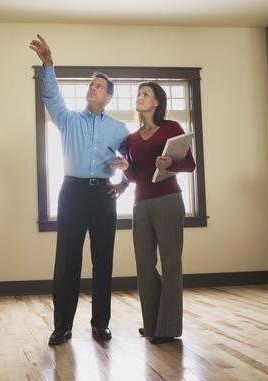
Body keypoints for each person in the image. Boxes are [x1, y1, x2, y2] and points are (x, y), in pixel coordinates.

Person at [29, 34, 129, 345]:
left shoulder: (120, 129)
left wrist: (123, 181)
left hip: (103, 196)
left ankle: (101, 324)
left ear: (108, 96)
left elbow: (132, 162)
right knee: (67, 261)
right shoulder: (69, 120)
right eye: (90, 84)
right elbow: (52, 98)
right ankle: (62, 326)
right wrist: (48, 64)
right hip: (72, 194)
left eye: (98, 86)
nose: (92, 88)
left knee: (103, 262)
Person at [113, 81, 195, 344]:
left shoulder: (171, 128)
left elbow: (190, 165)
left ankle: (167, 328)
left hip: (168, 199)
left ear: (157, 102)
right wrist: (126, 168)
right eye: (138, 94)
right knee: (144, 264)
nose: (140, 97)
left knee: (171, 263)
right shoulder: (131, 139)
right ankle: (153, 325)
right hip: (141, 204)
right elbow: (136, 177)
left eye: (145, 94)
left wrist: (172, 162)